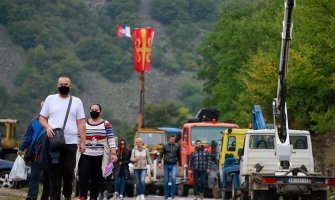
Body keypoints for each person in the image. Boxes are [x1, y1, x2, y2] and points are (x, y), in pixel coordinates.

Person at [39, 76, 86, 200]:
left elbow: (81, 122)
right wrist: (48, 127)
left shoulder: (77, 101)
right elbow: (42, 118)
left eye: (66, 84)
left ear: (70, 86)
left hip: (71, 142)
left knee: (68, 172)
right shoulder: (50, 99)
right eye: (61, 84)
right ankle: (55, 197)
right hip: (54, 141)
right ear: (57, 85)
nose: (63, 86)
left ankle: (67, 195)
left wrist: (83, 142)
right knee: (54, 172)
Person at [78, 104, 117, 200]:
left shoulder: (106, 124)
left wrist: (113, 153)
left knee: (97, 180)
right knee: (83, 178)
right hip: (85, 155)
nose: (94, 111)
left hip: (100, 157)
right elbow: (78, 137)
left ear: (100, 112)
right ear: (89, 111)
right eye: (92, 109)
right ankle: (82, 197)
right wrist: (80, 145)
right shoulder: (84, 124)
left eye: (96, 110)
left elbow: (111, 139)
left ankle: (93, 198)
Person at [18, 101, 50, 200]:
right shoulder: (34, 121)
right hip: (36, 153)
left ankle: (45, 197)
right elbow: (28, 137)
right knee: (34, 177)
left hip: (50, 154)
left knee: (48, 178)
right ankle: (31, 197)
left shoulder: (56, 120)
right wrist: (21, 148)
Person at [157, 135, 182, 200]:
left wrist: (180, 165)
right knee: (166, 180)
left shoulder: (177, 146)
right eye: (171, 139)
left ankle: (172, 194)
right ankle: (166, 195)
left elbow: (179, 156)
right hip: (166, 164)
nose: (172, 140)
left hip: (174, 165)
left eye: (173, 139)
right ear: (169, 139)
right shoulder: (165, 146)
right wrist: (159, 162)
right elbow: (160, 155)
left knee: (173, 179)